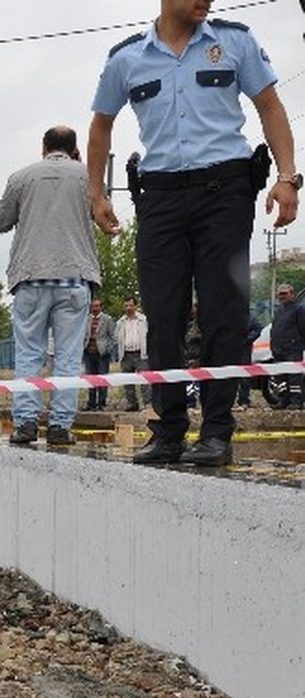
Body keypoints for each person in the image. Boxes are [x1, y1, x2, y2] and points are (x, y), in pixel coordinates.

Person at [88, 0, 298, 466]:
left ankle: (218, 431)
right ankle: (168, 431)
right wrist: (97, 195)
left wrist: (287, 177)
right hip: (160, 199)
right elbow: (101, 125)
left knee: (223, 312)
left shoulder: (234, 40)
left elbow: (270, 106)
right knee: (162, 314)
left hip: (224, 192)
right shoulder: (126, 58)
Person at [0, 126, 101, 446]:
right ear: (74, 149)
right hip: (74, 278)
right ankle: (60, 427)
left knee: (29, 355)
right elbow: (100, 213)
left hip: (31, 277)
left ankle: (25, 424)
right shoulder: (87, 176)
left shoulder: (21, 178)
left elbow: (0, 222)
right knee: (68, 358)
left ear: (44, 147)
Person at [270, 283, 305, 409]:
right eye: (280, 294)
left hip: (293, 349)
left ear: (292, 294)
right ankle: (284, 400)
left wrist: (298, 344)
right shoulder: (279, 310)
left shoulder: (299, 309)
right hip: (278, 349)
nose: (282, 296)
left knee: (294, 376)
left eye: (285, 293)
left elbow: (303, 328)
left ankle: (297, 402)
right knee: (280, 378)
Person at [113, 296, 150, 413]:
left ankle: (147, 404)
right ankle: (132, 403)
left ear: (136, 306)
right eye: (126, 306)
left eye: (130, 305)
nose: (128, 308)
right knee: (128, 381)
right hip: (126, 354)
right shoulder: (120, 322)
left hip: (141, 354)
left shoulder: (144, 320)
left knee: (145, 381)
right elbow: (116, 338)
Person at [83, 299, 117, 411]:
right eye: (93, 306)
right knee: (90, 379)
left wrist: (107, 349)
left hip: (102, 354)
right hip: (89, 353)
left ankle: (101, 404)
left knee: (102, 379)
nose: (95, 308)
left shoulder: (107, 319)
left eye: (97, 306)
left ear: (101, 307)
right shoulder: (86, 319)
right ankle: (91, 403)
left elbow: (113, 337)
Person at [235, 311, 263, 409]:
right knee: (227, 375)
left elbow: (257, 328)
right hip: (227, 349)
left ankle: (243, 400)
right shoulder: (226, 313)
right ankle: (227, 402)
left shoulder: (249, 315)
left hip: (244, 349)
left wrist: (247, 340)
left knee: (244, 375)